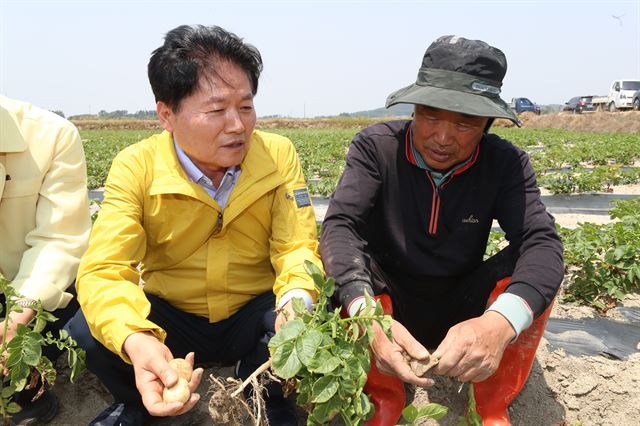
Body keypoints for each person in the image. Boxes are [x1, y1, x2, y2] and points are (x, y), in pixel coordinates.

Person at [66, 25, 322, 426]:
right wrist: (137, 339)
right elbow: (104, 270)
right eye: (217, 110)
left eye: (246, 106)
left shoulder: (278, 154)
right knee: (87, 328)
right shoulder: (136, 165)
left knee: (310, 312)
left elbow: (297, 248)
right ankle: (140, 398)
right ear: (167, 114)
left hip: (250, 312)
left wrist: (294, 305)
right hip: (173, 317)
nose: (238, 125)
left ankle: (264, 392)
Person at [319, 35, 563, 425]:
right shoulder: (377, 148)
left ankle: (491, 407)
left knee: (535, 264)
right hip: (387, 304)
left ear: (487, 123)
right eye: (431, 116)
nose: (443, 137)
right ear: (414, 108)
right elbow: (340, 225)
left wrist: (499, 323)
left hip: (461, 306)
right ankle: (383, 399)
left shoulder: (505, 163)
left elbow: (541, 241)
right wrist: (366, 315)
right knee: (345, 261)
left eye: (464, 122)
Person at [0, 96, 91, 424]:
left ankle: (24, 386)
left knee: (64, 316)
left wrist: (14, 320)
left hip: (31, 295)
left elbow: (58, 240)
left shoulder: (51, 136)